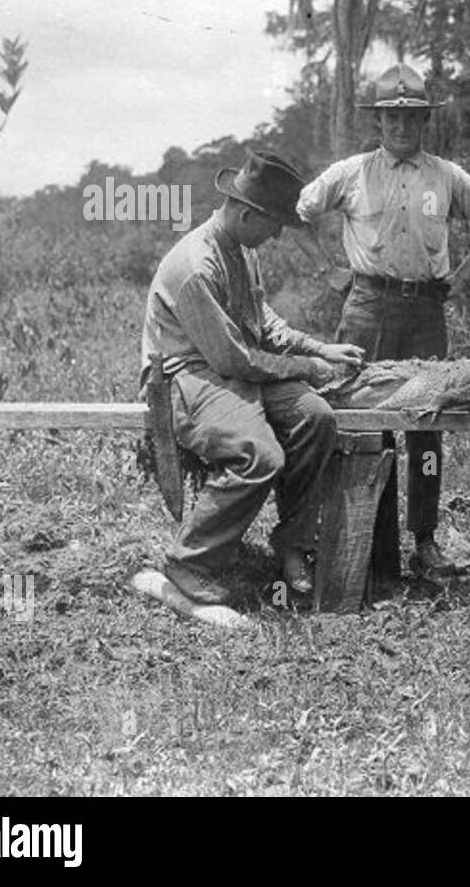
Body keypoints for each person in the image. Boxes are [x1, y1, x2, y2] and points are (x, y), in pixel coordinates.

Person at [297, 64, 470, 579]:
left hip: (425, 311)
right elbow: (298, 212)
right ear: (379, 120)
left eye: (411, 118)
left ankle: (426, 541)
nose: (401, 127)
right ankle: (365, 539)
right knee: (362, 422)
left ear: (424, 122)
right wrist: (330, 270)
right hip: (367, 307)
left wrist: (460, 277)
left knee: (426, 427)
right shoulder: (351, 173)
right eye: (392, 116)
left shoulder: (447, 176)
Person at [140, 150, 366, 605]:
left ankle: (292, 543)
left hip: (234, 365)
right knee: (259, 455)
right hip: (186, 375)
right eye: (275, 222)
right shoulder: (195, 267)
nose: (279, 232)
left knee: (315, 417)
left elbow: (260, 318)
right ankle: (191, 561)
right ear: (247, 213)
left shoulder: (242, 249)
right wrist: (308, 367)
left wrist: (317, 347)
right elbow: (234, 360)